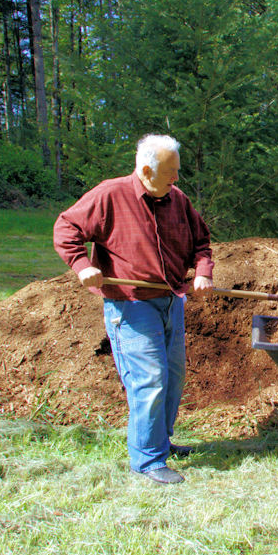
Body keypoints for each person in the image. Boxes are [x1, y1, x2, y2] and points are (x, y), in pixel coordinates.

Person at [53, 134, 214, 485]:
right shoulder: (110, 195)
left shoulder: (178, 200)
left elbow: (201, 241)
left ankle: (160, 442)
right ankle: (147, 460)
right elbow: (66, 227)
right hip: (130, 305)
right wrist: (83, 266)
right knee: (149, 380)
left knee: (172, 377)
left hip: (171, 300)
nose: (177, 179)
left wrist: (202, 273)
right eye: (171, 172)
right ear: (145, 170)